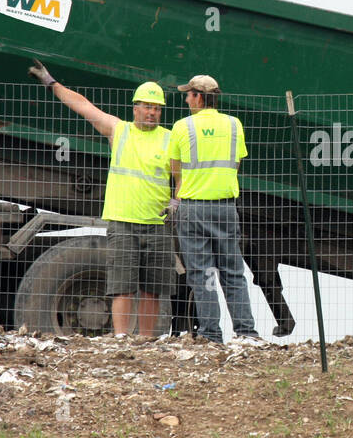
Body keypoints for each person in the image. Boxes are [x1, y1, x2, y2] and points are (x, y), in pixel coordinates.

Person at [28, 60, 173, 338]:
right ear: (135, 108)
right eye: (147, 106)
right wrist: (51, 83)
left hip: (157, 223)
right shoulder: (119, 131)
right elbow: (84, 106)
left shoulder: (170, 139)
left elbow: (182, 174)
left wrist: (177, 202)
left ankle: (146, 340)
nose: (152, 112)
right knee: (122, 285)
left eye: (156, 108)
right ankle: (121, 339)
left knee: (153, 288)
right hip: (123, 222)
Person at [168, 75, 261, 346]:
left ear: (198, 96)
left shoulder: (182, 127)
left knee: (202, 273)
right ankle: (246, 332)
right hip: (225, 208)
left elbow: (177, 170)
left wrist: (180, 195)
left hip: (194, 209)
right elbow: (236, 164)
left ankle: (210, 334)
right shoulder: (234, 125)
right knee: (233, 272)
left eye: (188, 94)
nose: (186, 99)